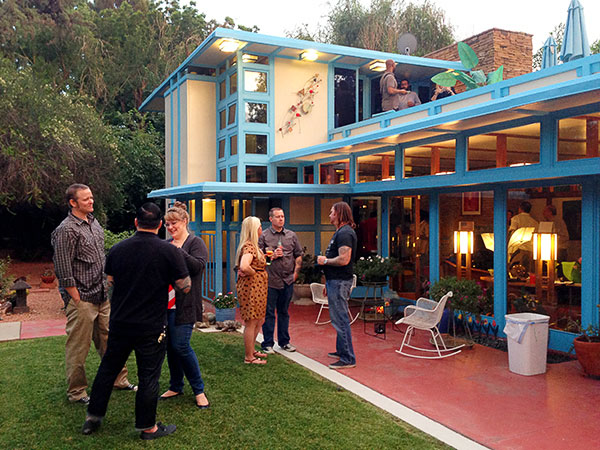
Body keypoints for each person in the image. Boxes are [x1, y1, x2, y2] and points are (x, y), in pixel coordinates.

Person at [82, 203, 190, 440]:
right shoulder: (169, 251)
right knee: (149, 376)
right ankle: (148, 427)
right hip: (151, 326)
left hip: (120, 322)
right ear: (160, 224)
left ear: (135, 223)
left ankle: (93, 418)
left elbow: (108, 282)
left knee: (108, 369)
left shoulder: (118, 250)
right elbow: (185, 286)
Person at [51, 184, 135, 405]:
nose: (91, 201)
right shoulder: (66, 230)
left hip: (102, 296)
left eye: (91, 197)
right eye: (86, 199)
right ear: (73, 202)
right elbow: (62, 268)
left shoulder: (94, 223)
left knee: (113, 341)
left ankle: (119, 380)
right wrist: (75, 298)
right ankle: (77, 392)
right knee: (79, 348)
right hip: (82, 299)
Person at [159, 202, 210, 409]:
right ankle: (176, 385)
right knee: (171, 347)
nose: (171, 228)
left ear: (185, 222)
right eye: (168, 224)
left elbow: (198, 266)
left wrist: (178, 251)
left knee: (181, 345)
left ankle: (199, 390)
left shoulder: (195, 243)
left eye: (174, 223)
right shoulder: (166, 244)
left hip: (186, 304)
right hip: (166, 304)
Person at [317, 202, 357, 370]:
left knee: (340, 320)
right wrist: (327, 281)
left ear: (339, 214)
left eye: (332, 212)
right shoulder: (340, 232)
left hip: (340, 282)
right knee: (337, 318)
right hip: (335, 281)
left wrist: (324, 261)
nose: (329, 215)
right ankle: (341, 350)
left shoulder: (345, 233)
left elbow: (344, 259)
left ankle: (348, 358)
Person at [258, 208, 303, 354]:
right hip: (271, 281)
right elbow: (259, 259)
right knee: (269, 313)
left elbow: (298, 255)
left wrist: (295, 274)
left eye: (283, 216)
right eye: (278, 217)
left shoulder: (291, 235)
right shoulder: (264, 236)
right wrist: (271, 256)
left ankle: (284, 342)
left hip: (287, 281)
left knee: (284, 312)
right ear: (271, 219)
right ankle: (267, 343)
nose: (281, 219)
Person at [236, 216, 269, 365]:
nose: (261, 229)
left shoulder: (254, 246)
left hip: (258, 288)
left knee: (259, 320)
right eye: (259, 226)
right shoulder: (249, 247)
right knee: (252, 321)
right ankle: (249, 357)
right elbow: (244, 265)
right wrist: (253, 272)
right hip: (251, 289)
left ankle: (251, 350)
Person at [509, 201, 539, 271]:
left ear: (520, 209)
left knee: (517, 270)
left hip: (519, 249)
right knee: (529, 271)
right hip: (531, 250)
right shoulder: (535, 222)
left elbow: (512, 232)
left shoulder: (516, 219)